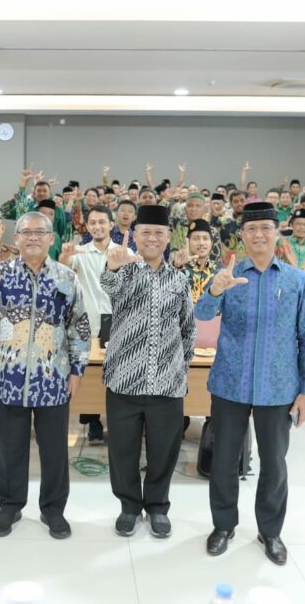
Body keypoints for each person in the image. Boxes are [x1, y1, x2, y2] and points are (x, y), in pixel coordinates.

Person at [194, 202, 305, 565]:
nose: (259, 234)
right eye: (251, 229)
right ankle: (223, 525)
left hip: (278, 386)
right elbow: (201, 316)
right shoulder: (228, 275)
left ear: (277, 233)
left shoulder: (296, 280)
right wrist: (214, 291)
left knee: (274, 462)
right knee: (224, 459)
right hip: (230, 383)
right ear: (242, 236)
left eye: (265, 228)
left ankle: (270, 531)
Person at [0, 211, 91, 540]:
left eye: (39, 232)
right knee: (9, 449)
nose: (33, 237)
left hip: (53, 378)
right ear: (15, 238)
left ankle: (53, 509)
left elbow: (79, 325)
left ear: (50, 238)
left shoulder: (66, 277)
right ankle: (10, 505)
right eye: (26, 232)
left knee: (54, 450)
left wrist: (76, 370)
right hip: (9, 377)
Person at [100, 205, 195, 538]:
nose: (152, 238)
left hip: (167, 384)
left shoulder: (179, 280)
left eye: (158, 233)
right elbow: (108, 285)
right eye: (145, 233)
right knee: (122, 450)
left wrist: (179, 369)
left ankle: (157, 507)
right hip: (124, 381)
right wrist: (112, 265)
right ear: (135, 237)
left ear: (168, 238)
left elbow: (188, 329)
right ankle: (128, 506)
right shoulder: (124, 272)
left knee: (164, 451)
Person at [60, 205, 125, 444]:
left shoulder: (123, 252)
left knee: (115, 373)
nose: (98, 226)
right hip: (86, 323)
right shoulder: (81, 252)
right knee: (87, 372)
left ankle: (117, 421)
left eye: (102, 222)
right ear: (87, 227)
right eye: (93, 223)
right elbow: (64, 269)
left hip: (116, 323)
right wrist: (65, 256)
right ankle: (93, 422)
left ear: (111, 225)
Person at [174, 219, 218, 302]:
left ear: (211, 243)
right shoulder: (179, 268)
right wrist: (176, 267)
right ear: (189, 242)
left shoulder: (219, 270)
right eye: (196, 239)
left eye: (205, 238)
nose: (201, 243)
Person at [276, 208, 305, 282]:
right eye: (298, 224)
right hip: (285, 285)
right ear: (291, 225)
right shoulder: (281, 242)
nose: (301, 227)